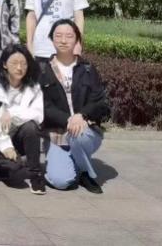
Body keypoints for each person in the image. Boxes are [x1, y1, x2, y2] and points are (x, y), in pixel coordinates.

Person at [40, 19, 110, 194]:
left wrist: (82, 115)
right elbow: (43, 106)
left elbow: (100, 101)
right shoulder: (42, 70)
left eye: (69, 36)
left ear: (77, 39)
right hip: (57, 133)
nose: (63, 40)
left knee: (77, 135)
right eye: (58, 36)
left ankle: (86, 173)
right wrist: (68, 119)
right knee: (61, 181)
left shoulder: (87, 69)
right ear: (51, 39)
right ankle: (76, 162)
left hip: (86, 131)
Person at [0, 44, 46, 194]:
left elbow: (38, 114)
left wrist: (12, 113)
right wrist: (6, 147)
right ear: (4, 64)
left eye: (23, 63)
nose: (19, 68)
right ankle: (6, 165)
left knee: (31, 127)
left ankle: (35, 174)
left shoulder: (34, 87)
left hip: (20, 137)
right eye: (14, 63)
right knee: (15, 175)